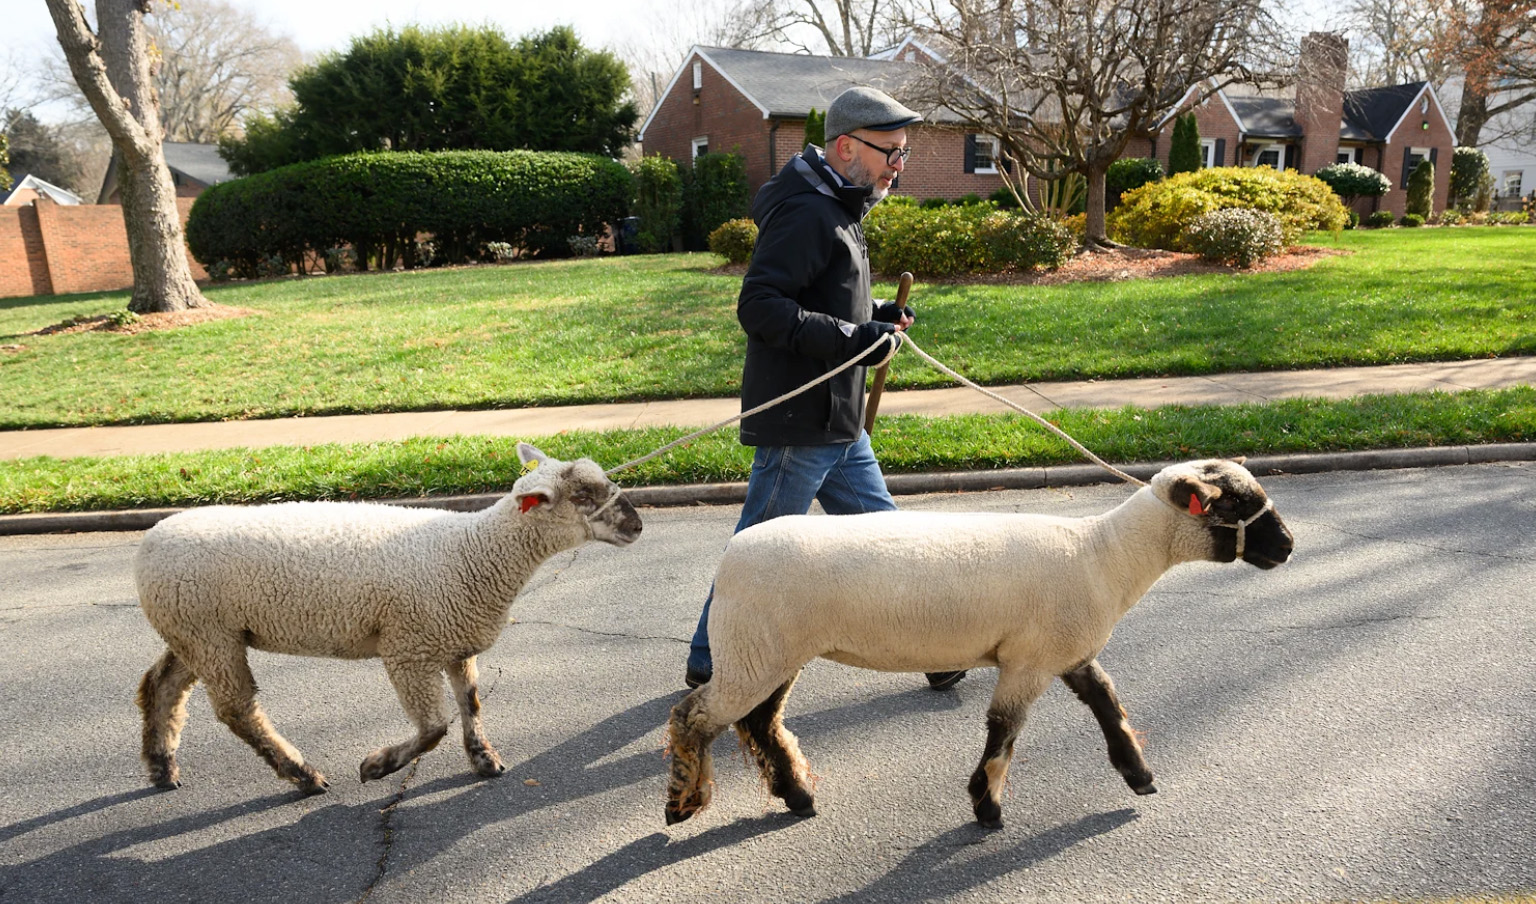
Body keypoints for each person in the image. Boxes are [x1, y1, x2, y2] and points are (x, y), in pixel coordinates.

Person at [684, 85, 966, 692]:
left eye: (904, 153)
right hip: (800, 423)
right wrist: (854, 338)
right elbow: (760, 306)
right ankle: (710, 658)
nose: (899, 165)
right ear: (846, 146)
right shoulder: (808, 211)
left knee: (887, 545)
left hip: (839, 421)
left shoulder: (839, 201)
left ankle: (938, 648)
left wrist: (878, 316)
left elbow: (824, 297)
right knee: (758, 551)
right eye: (890, 152)